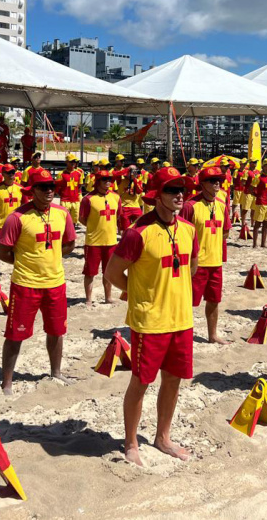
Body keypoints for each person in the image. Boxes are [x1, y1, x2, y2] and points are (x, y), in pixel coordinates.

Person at [104, 167, 198, 465]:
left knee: (173, 381)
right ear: (157, 195)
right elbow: (112, 273)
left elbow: (192, 267)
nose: (179, 195)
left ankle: (162, 437)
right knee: (141, 382)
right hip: (150, 321)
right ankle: (131, 442)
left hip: (181, 319)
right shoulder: (138, 232)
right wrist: (140, 292)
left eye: (181, 189)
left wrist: (174, 289)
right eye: (171, 190)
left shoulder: (188, 229)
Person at [0, 168, 76, 395]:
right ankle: (7, 382)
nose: (49, 191)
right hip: (25, 284)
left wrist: (52, 259)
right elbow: (3, 251)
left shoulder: (62, 214)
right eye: (43, 187)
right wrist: (26, 263)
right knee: (15, 334)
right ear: (33, 190)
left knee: (56, 331)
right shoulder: (17, 217)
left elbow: (70, 243)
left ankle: (56, 372)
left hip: (55, 283)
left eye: (52, 186)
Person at [181, 166, 230, 344]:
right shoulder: (190, 206)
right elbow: (181, 235)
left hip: (215, 263)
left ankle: (212, 335)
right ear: (202, 184)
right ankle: (182, 334)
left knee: (214, 300)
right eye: (212, 180)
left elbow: (225, 232)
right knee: (188, 303)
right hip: (196, 265)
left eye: (219, 179)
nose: (217, 183)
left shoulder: (222, 205)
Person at [79, 169, 121, 305]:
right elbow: (82, 219)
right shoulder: (88, 199)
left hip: (111, 241)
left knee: (108, 272)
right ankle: (88, 299)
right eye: (104, 179)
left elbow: (118, 215)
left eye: (110, 179)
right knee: (90, 272)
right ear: (97, 181)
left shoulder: (116, 197)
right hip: (93, 242)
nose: (108, 181)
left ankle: (108, 297)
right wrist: (95, 226)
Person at [250, 159, 267, 248]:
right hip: (261, 203)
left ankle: (263, 243)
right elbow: (251, 189)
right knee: (258, 223)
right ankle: (254, 244)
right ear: (264, 166)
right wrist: (258, 196)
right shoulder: (258, 177)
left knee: (266, 223)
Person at [56, 153, 84, 223]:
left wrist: (75, 193)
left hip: (75, 200)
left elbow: (79, 186)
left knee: (74, 219)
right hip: (65, 200)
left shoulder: (79, 173)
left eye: (74, 161)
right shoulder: (61, 174)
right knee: (65, 219)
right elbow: (57, 187)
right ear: (66, 162)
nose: (73, 163)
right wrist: (63, 195)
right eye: (71, 161)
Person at [117, 165, 145, 230]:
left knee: (139, 228)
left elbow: (139, 191)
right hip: (124, 207)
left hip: (136, 207)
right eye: (131, 171)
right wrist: (125, 171)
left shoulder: (138, 180)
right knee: (126, 229)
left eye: (134, 171)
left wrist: (133, 179)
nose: (133, 173)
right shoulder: (121, 180)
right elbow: (114, 174)